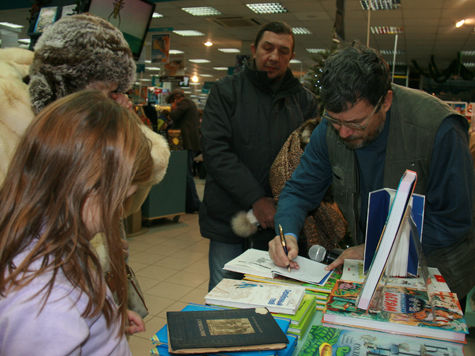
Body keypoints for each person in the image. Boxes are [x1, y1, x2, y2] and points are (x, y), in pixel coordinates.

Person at [269, 43, 475, 299]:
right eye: (335, 121)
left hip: (436, 270)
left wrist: (376, 249)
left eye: (356, 122)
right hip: (374, 270)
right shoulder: (329, 130)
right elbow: (299, 190)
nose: (343, 132)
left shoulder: (439, 130)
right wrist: (285, 233)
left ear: (386, 101)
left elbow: (454, 221)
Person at [0, 14, 170, 322]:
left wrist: (124, 124)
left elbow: (127, 203)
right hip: (41, 298)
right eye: (106, 92)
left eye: (119, 92)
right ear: (65, 90)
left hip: (88, 286)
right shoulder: (10, 127)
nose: (116, 101)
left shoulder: (94, 126)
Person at [0, 90, 151, 355]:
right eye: (119, 200)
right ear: (86, 187)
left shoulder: (54, 238)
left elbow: (78, 307)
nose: (117, 214)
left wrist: (106, 324)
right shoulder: (45, 305)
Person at [200, 21, 318, 291]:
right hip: (227, 215)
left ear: (290, 56)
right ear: (254, 50)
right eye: (267, 48)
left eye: (283, 51)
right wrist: (255, 199)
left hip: (280, 220)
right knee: (224, 292)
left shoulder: (304, 102)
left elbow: (309, 161)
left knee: (272, 295)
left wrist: (283, 206)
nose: (274, 56)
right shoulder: (226, 91)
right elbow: (216, 151)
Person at [167, 88, 201, 213]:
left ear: (176, 98)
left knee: (186, 174)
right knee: (186, 173)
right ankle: (191, 204)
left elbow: (174, 115)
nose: (172, 104)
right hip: (189, 143)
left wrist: (173, 108)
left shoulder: (185, 103)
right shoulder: (189, 103)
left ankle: (194, 204)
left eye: (172, 101)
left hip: (186, 143)